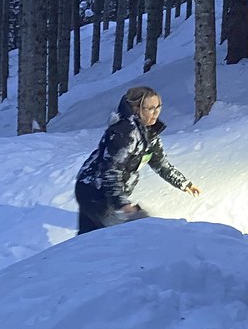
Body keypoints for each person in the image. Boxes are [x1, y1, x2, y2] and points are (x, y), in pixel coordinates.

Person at [75, 86, 201, 235]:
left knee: (90, 238)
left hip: (109, 192)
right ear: (136, 109)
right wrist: (122, 205)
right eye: (151, 108)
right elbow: (111, 171)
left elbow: (161, 164)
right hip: (94, 191)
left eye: (159, 107)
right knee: (106, 237)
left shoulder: (148, 133)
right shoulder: (125, 132)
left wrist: (184, 183)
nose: (156, 112)